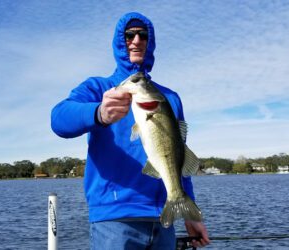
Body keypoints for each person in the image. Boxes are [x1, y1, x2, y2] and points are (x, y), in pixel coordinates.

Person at [51, 12, 210, 249]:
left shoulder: (170, 98)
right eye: (129, 35)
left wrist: (191, 214)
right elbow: (59, 119)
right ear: (119, 42)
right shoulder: (100, 88)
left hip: (162, 220)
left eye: (143, 36)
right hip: (114, 220)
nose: (136, 41)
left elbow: (178, 157)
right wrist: (99, 113)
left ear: (150, 42)